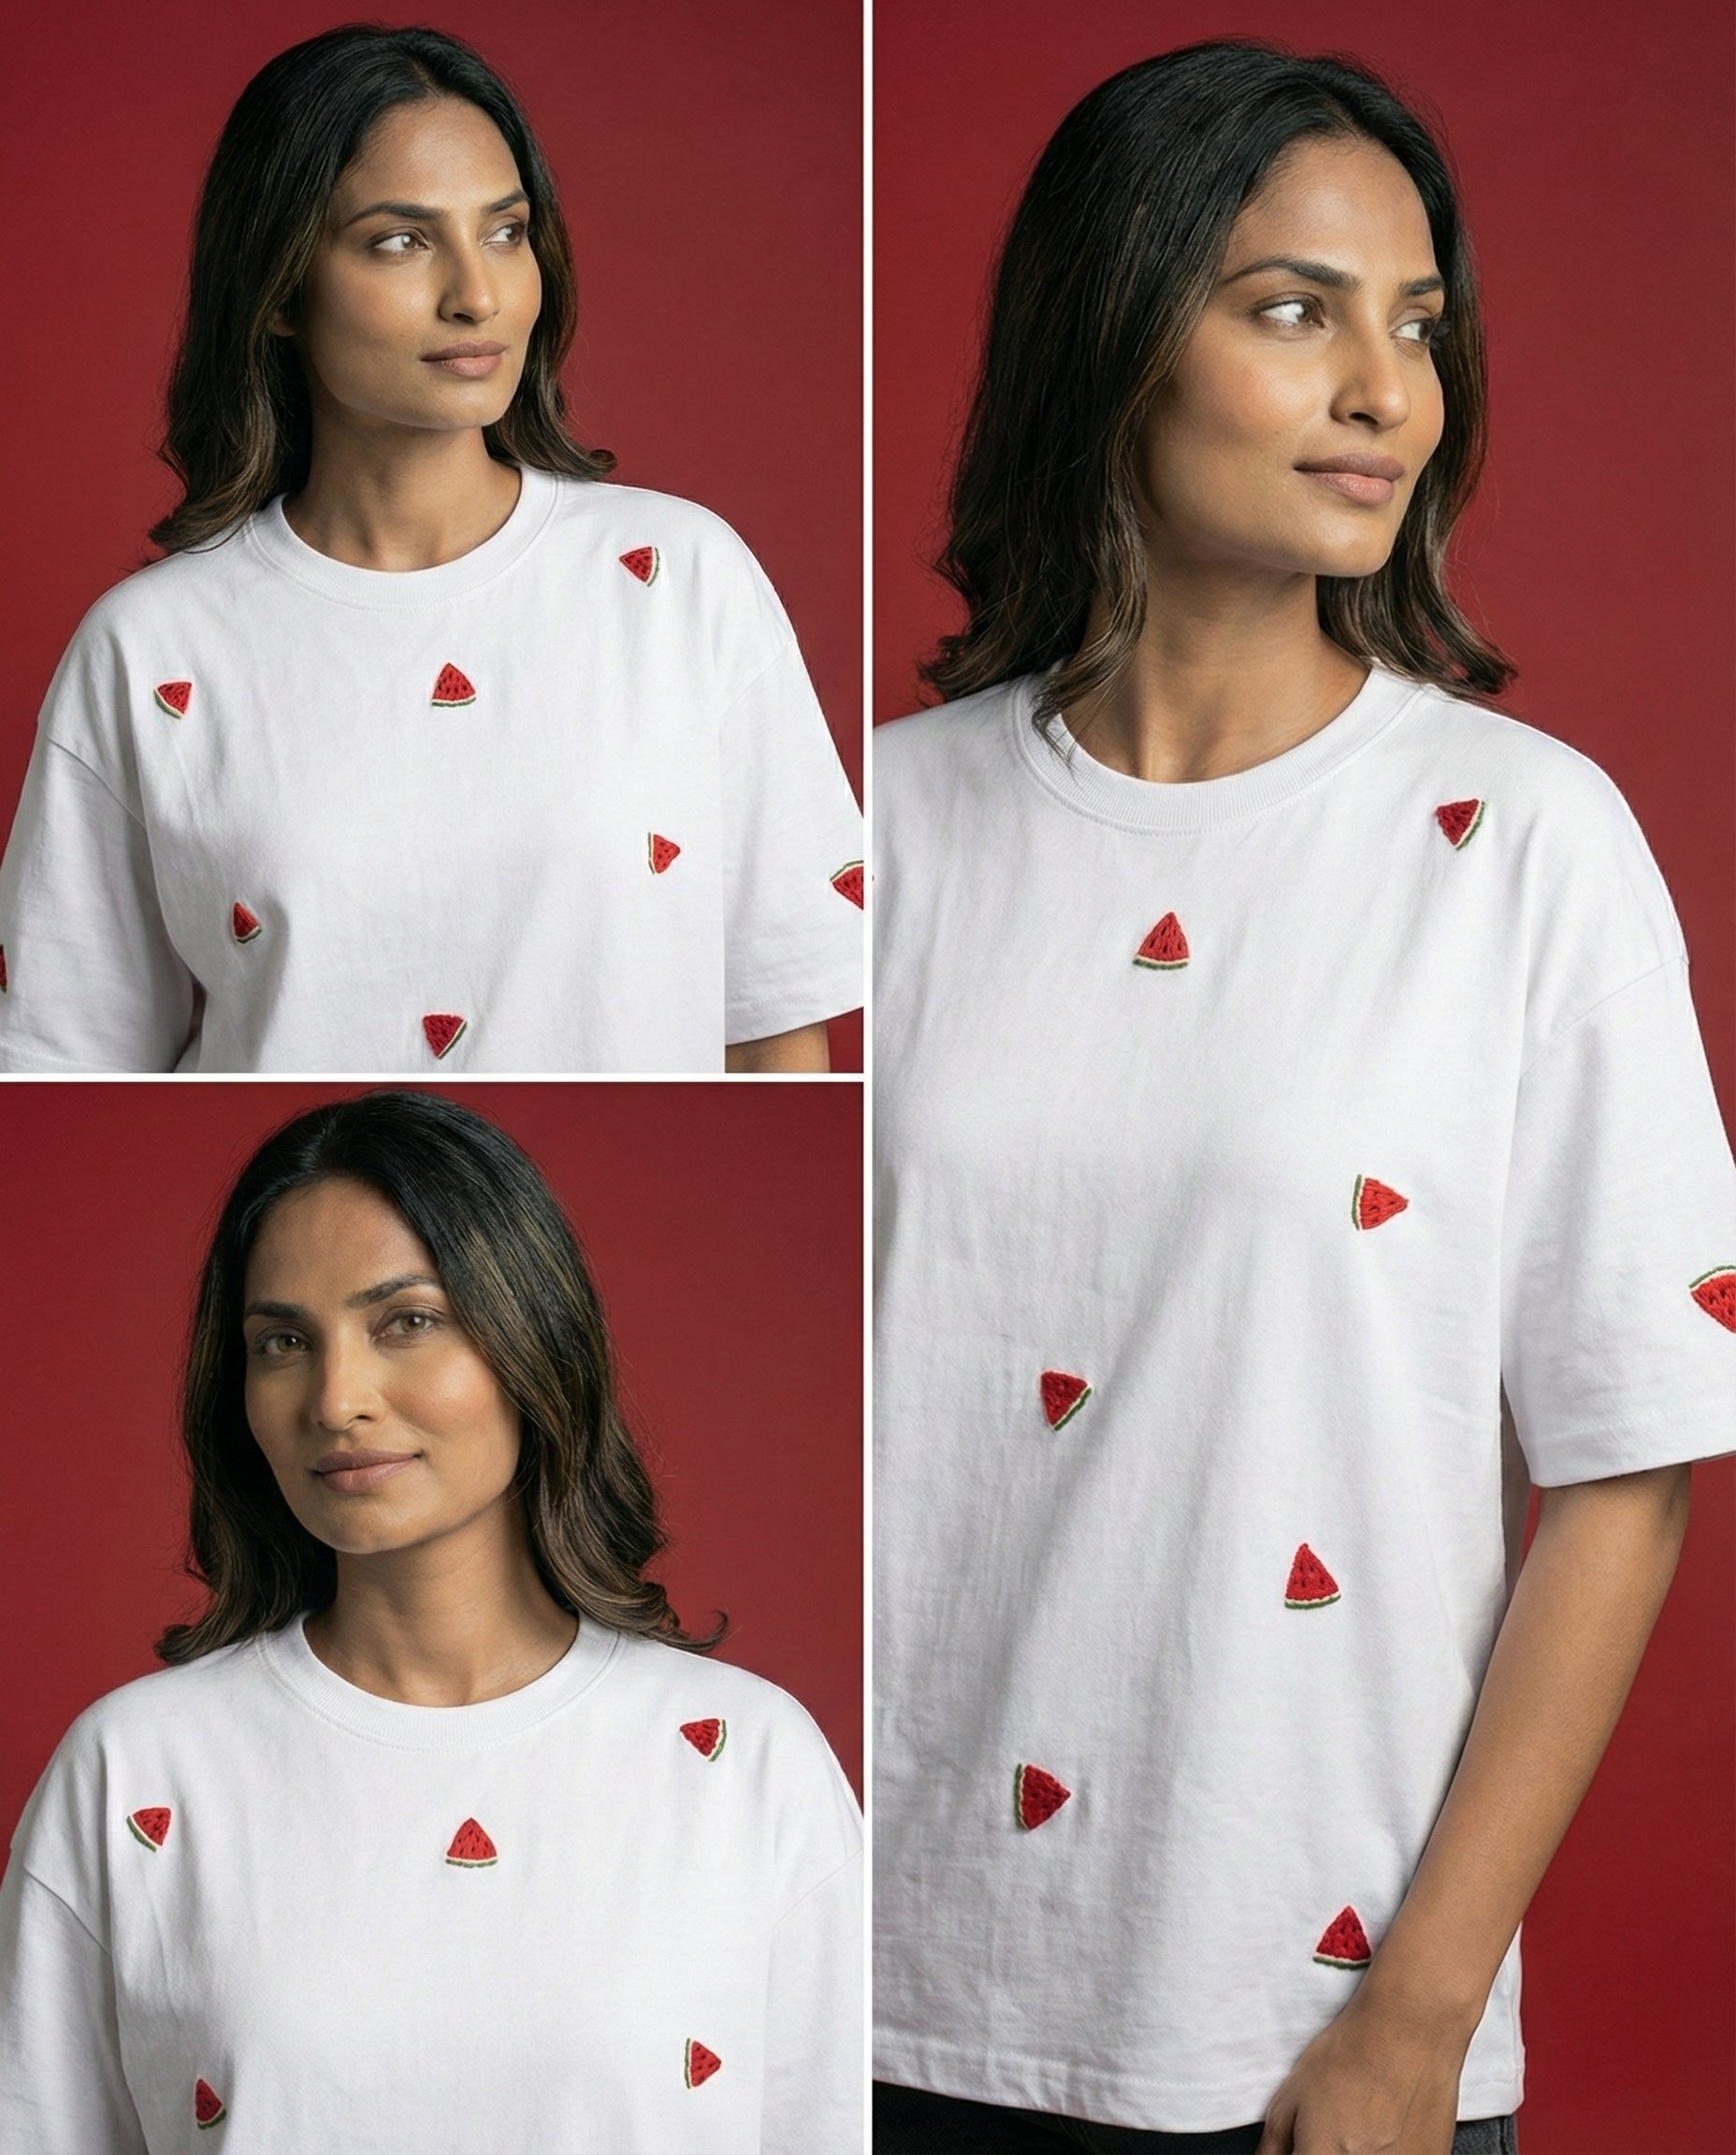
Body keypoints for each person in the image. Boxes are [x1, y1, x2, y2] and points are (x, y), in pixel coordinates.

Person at [872, 41, 1736, 2155]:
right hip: (872, 1988)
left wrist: (1414, 2019)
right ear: (1113, 331)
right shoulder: (880, 827)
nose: (1385, 389)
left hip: (1298, 2029)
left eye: (1417, 324)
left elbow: (1630, 1465)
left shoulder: (1521, 843)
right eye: (1292, 308)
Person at [0, 1091, 863, 2153]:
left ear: (529, 1337)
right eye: (280, 1342)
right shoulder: (135, 1770)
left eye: (406, 1321)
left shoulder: (748, 1765)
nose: (335, 1398)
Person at [0, 25, 862, 1075]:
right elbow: (63, 1057)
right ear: (278, 289)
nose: (477, 294)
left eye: (504, 233)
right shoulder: (149, 650)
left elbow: (779, 1024)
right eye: (399, 241)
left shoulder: (679, 578)